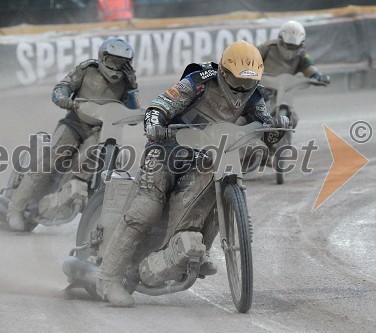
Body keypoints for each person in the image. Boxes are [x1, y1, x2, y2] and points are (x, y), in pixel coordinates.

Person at [96, 40, 289, 307]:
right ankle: (109, 278)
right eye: (237, 81)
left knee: (212, 191)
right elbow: (160, 104)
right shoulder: (199, 80)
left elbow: (262, 122)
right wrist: (155, 123)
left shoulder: (254, 93)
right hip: (168, 149)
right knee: (147, 209)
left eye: (249, 82)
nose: (243, 88)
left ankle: (200, 247)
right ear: (223, 71)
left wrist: (274, 127)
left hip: (207, 153)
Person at [7, 38, 140, 231]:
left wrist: (133, 86)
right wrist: (63, 99)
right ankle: (15, 209)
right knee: (48, 162)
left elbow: (134, 115)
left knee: (85, 164)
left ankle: (63, 199)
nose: (116, 67)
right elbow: (61, 88)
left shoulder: (128, 83)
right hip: (74, 123)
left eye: (122, 62)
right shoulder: (87, 70)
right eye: (112, 61)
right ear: (102, 57)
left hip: (100, 130)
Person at [257, 20, 330, 128]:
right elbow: (252, 57)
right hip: (262, 85)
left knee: (294, 119)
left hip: (284, 90)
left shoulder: (301, 54)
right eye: (287, 45)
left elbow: (308, 66)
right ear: (280, 39)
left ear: (300, 44)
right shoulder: (268, 46)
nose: (290, 49)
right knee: (252, 110)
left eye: (294, 46)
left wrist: (316, 75)